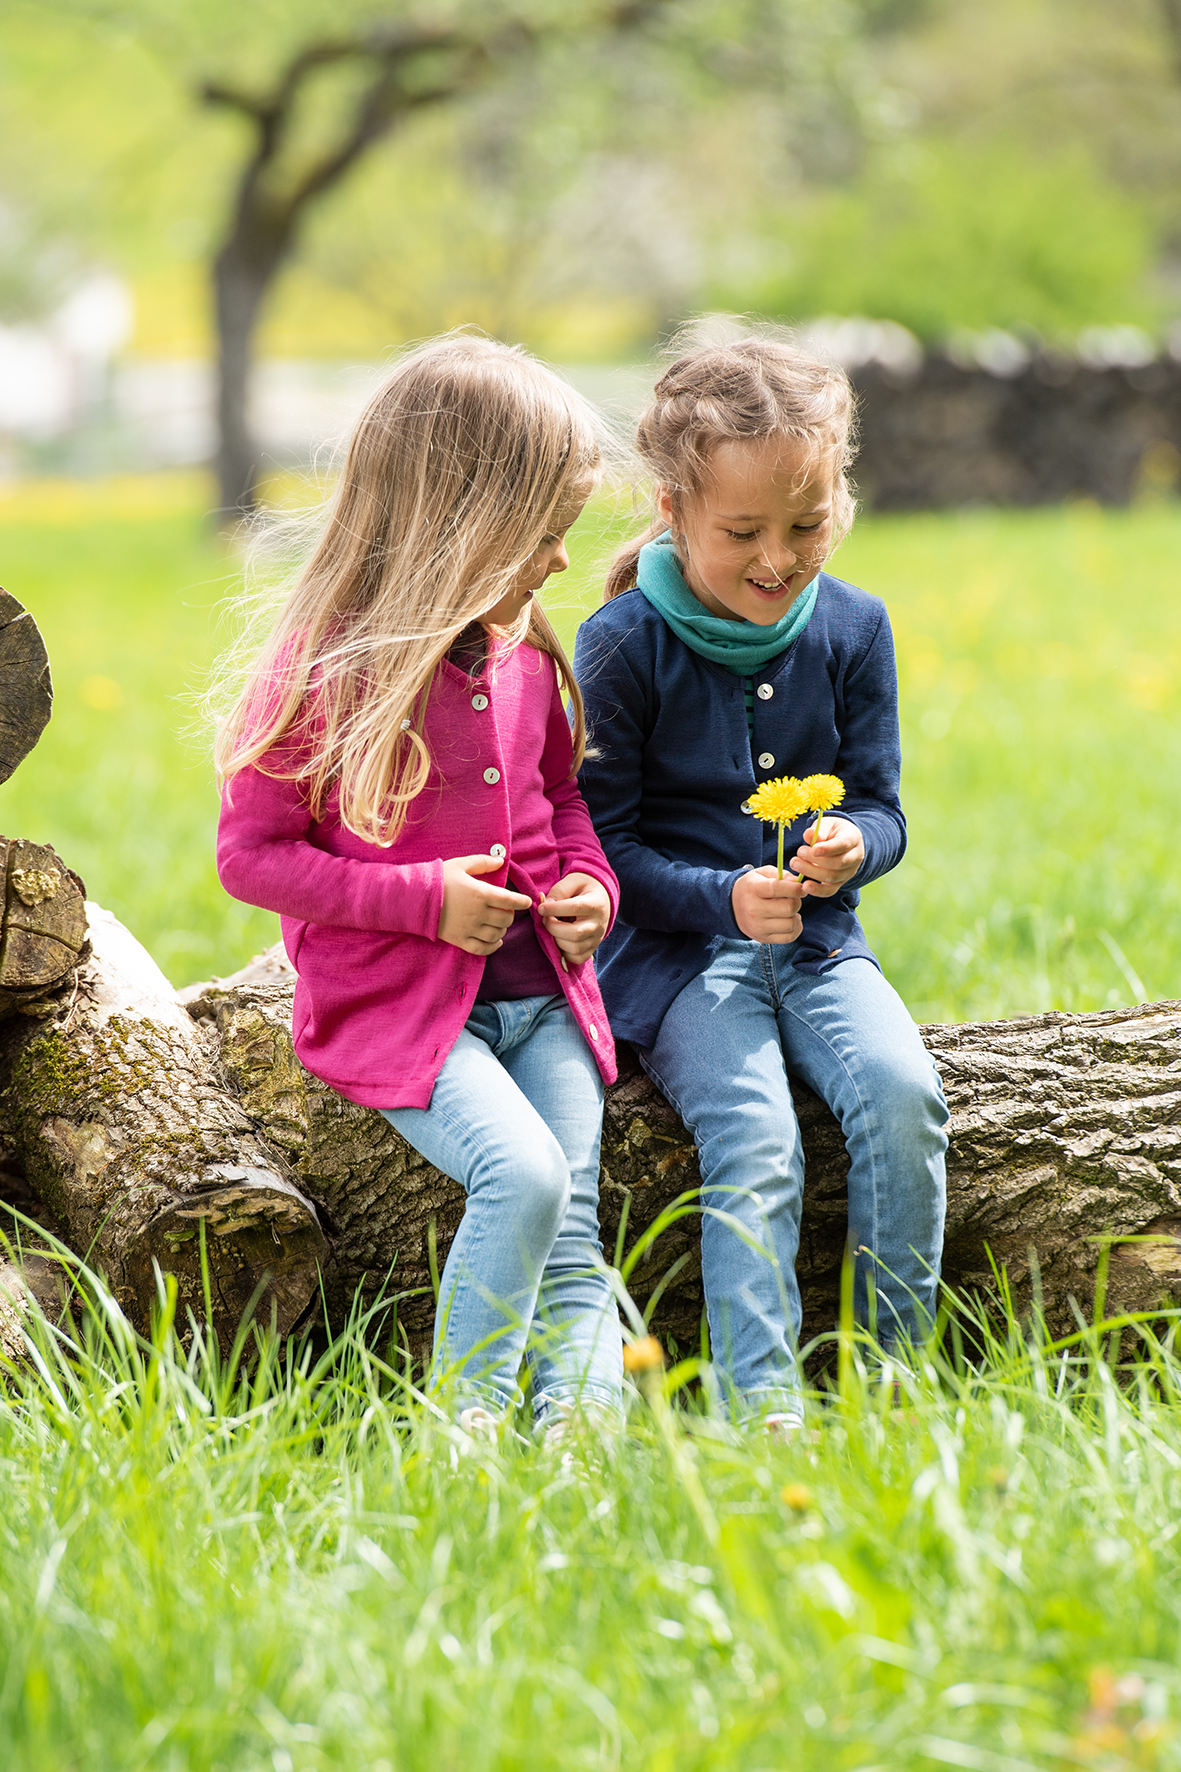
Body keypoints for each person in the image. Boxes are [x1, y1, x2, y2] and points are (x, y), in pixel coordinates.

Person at [215, 334, 624, 1443]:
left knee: (574, 1227)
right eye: (540, 534)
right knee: (524, 1175)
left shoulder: (521, 653)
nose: (558, 562)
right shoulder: (325, 668)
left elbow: (560, 799)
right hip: (402, 1012)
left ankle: (585, 1452)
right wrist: (424, 902)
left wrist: (590, 887)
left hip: (544, 997)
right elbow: (251, 857)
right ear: (460, 521)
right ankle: (465, 1438)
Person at [573, 332, 947, 1430]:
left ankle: (890, 1382)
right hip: (680, 963)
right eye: (742, 532)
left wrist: (852, 845)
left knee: (905, 1100)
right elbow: (601, 848)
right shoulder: (619, 644)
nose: (777, 559)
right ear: (673, 509)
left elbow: (883, 807)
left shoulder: (853, 627)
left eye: (806, 525)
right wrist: (722, 899)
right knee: (755, 1135)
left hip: (821, 948)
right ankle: (762, 1405)